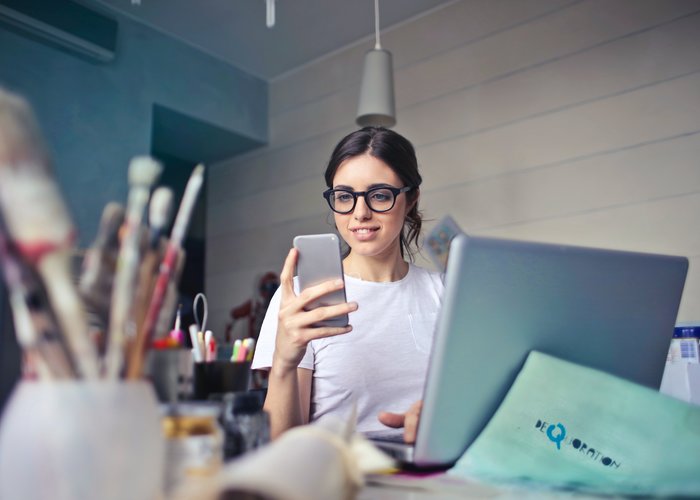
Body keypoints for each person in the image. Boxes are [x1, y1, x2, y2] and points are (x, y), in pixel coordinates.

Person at [251, 126, 444, 442]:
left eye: (380, 195)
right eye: (344, 197)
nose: (360, 213)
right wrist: (284, 362)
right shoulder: (302, 298)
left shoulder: (446, 293)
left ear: (410, 199)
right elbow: (281, 445)